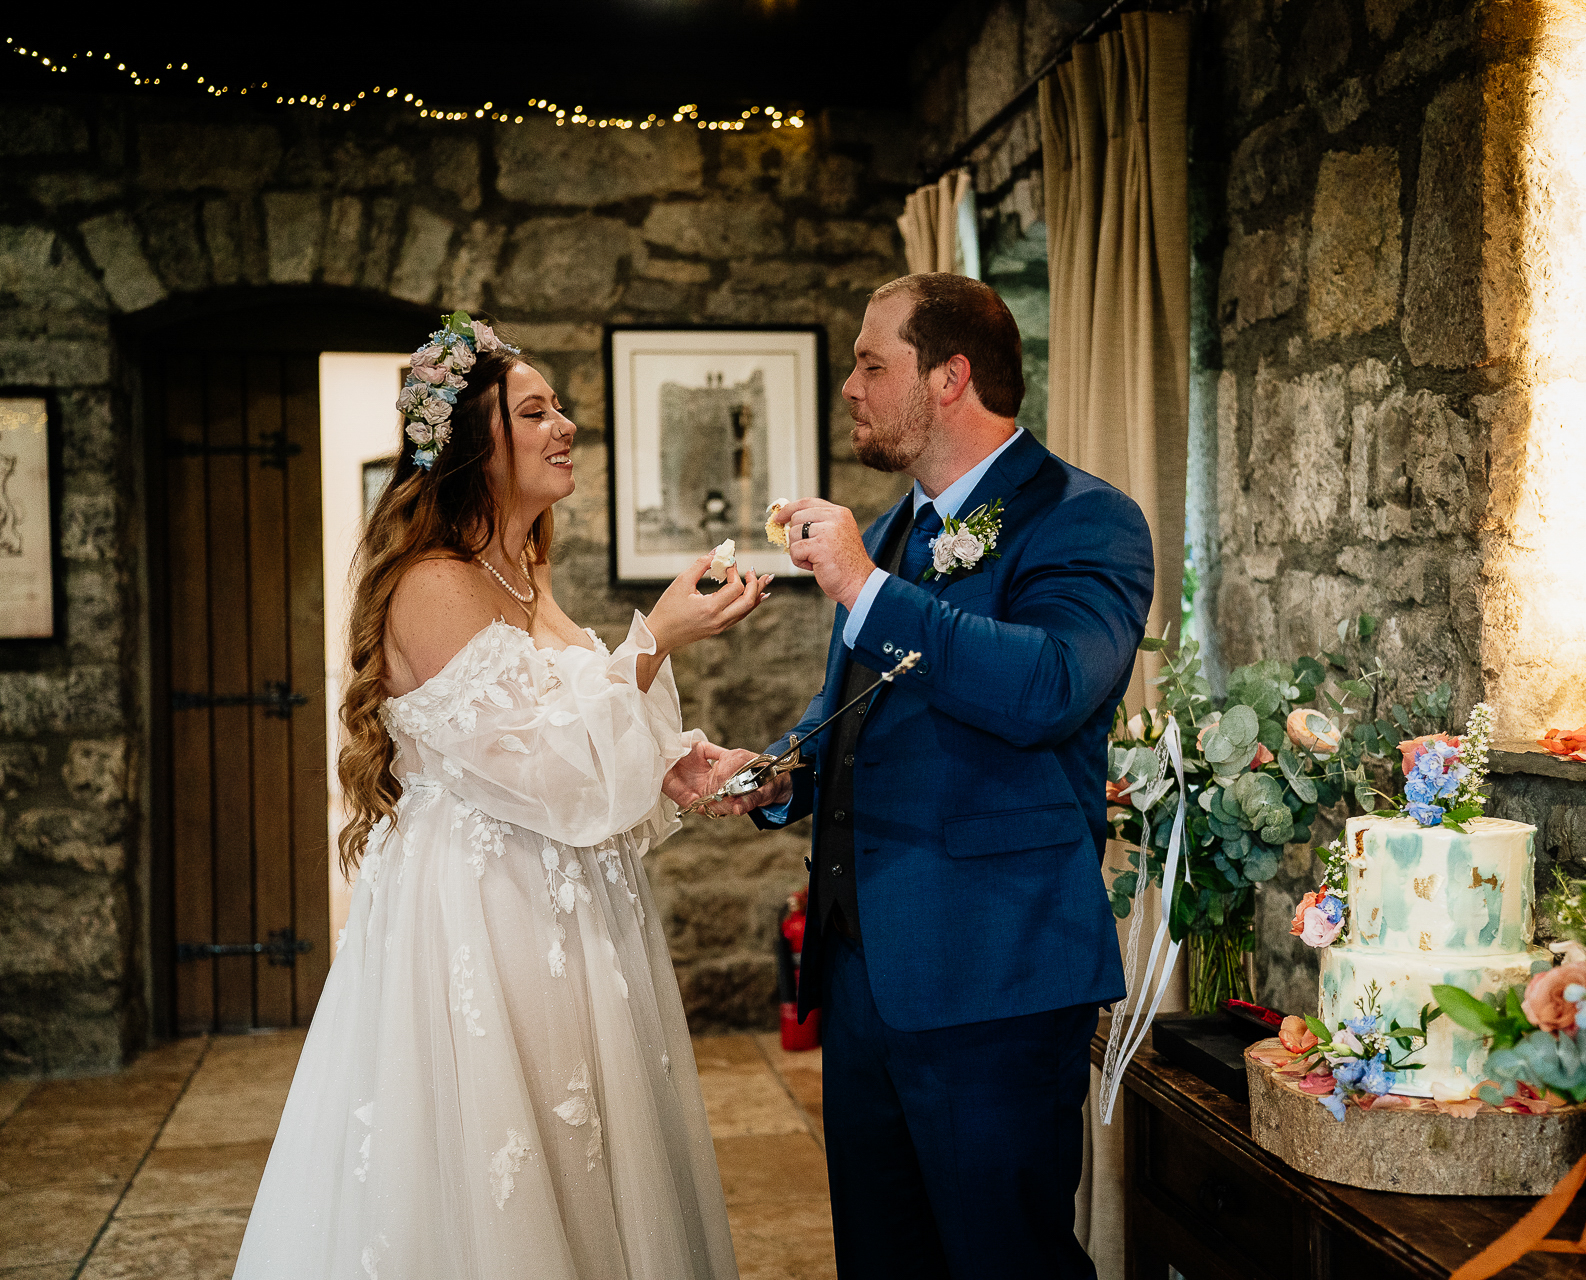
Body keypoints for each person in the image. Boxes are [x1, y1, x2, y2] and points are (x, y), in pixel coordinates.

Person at [234, 313, 764, 1280]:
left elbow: (567, 729)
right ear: (479, 441)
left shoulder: (521, 571)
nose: (564, 425)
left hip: (569, 904)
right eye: (536, 410)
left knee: (593, 1159)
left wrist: (674, 762)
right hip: (484, 912)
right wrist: (658, 639)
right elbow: (538, 770)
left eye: (559, 407)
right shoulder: (432, 584)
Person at [702, 274, 1155, 1278]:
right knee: (884, 1255)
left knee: (1005, 1259)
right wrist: (776, 772)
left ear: (949, 377)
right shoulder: (900, 525)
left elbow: (1048, 686)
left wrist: (867, 586)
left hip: (995, 972)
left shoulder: (1087, 520)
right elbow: (861, 719)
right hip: (868, 971)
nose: (852, 387)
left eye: (873, 364)